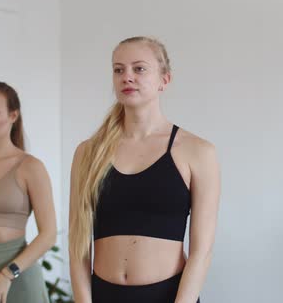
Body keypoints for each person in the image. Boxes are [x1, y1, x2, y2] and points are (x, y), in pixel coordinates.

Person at [68, 36, 221, 303]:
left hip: (169, 296)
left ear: (165, 80)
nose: (127, 76)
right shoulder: (88, 152)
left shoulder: (197, 151)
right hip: (104, 295)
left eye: (139, 69)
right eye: (119, 69)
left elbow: (202, 251)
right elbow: (78, 244)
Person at [0, 81, 56, 303]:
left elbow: (48, 235)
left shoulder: (30, 167)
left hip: (15, 277)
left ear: (13, 115)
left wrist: (7, 275)